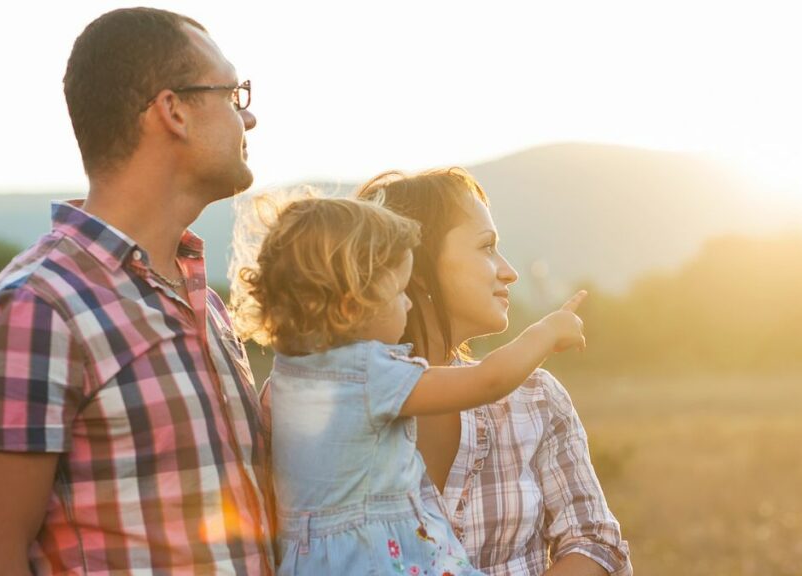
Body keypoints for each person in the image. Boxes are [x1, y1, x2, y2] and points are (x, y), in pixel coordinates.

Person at [0, 8, 272, 575]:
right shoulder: (39, 307)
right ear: (174, 110)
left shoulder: (203, 303)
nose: (250, 117)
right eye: (233, 95)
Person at [232, 197, 588, 575]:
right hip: (377, 560)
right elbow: (488, 380)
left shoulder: (287, 378)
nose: (408, 305)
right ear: (353, 305)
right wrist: (547, 332)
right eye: (399, 292)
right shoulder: (368, 374)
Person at [354, 168, 633, 575]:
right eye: (486, 247)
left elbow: (595, 543)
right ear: (412, 264)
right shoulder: (329, 403)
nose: (509, 271)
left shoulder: (535, 398)